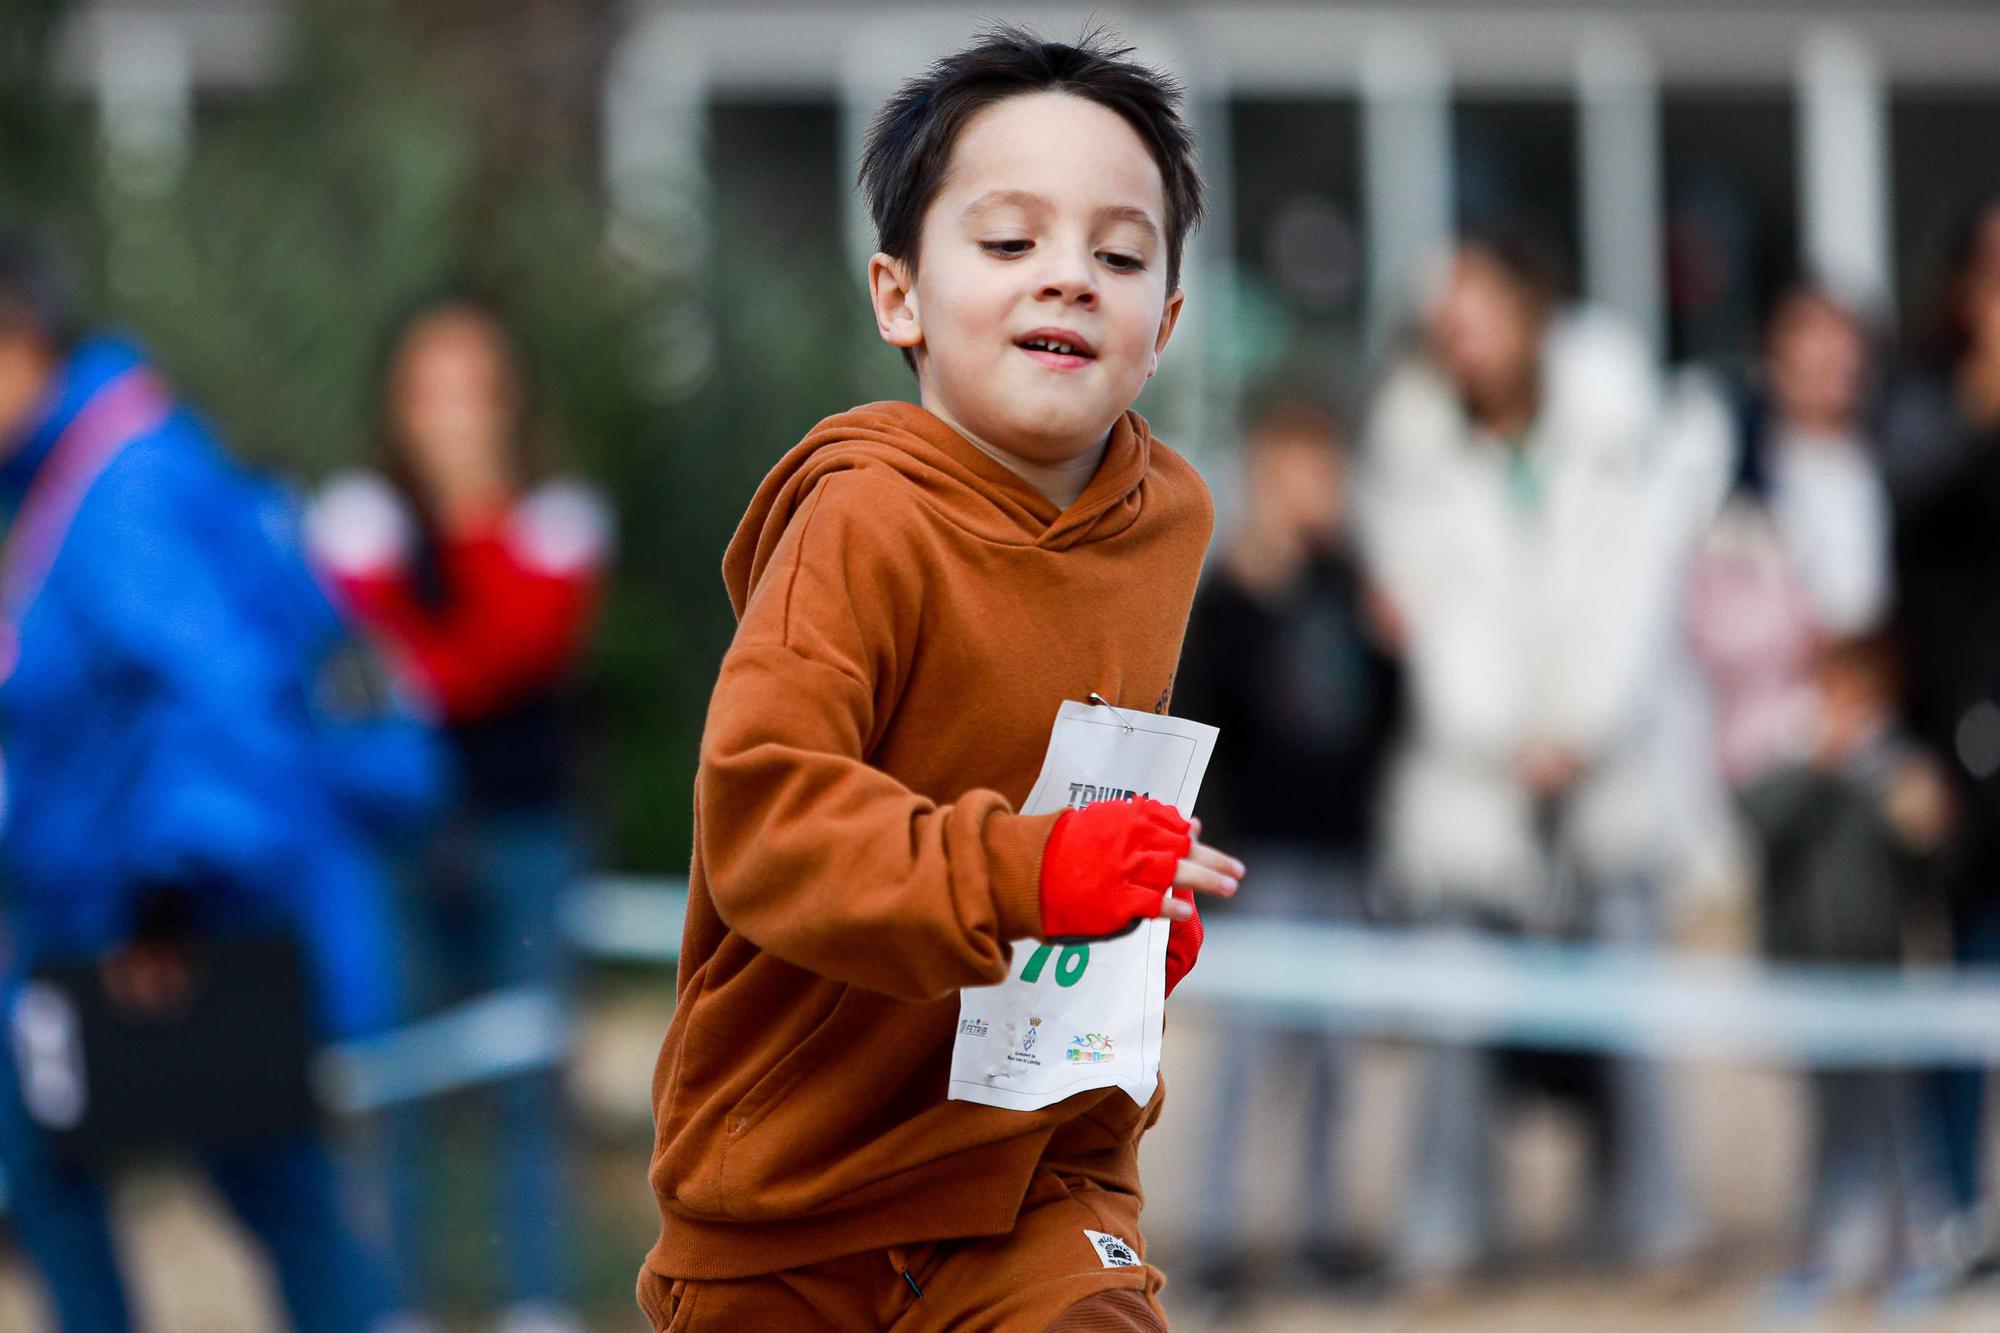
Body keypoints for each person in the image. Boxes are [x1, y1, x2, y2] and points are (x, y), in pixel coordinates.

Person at [635, 27, 1244, 1332]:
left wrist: (1123, 933)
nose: (1070, 278)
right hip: (791, 1200)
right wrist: (1036, 876)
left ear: (1166, 324)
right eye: (1012, 243)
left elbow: (1064, 783)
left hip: (1032, 1169)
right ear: (898, 295)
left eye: (1120, 254)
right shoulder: (861, 521)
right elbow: (762, 818)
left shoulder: (1172, 521)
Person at [0, 239, 443, 1330]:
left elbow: (212, 697)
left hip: (162, 923)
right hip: (133, 916)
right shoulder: (109, 461)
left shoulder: (118, 485)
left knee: (238, 1191)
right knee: (249, 1190)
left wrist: (171, 892)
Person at [1359, 231, 1714, 1287]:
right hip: (1466, 795)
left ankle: (1653, 1222)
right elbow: (1429, 617)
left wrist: (1577, 730)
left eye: (1478, 307)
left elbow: (1633, 593)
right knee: (1454, 1034)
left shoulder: (1614, 437)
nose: (1460, 335)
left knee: (1630, 1033)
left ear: (1528, 311)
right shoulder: (1409, 459)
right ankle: (1445, 1227)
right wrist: (1507, 738)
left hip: (1607, 784)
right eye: (1445, 319)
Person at [308, 294, 610, 1333]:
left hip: (527, 829)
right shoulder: (355, 517)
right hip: (394, 837)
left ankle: (533, 1299)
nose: (452, 414)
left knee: (529, 1077)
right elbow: (372, 660)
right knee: (393, 1074)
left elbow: (500, 657)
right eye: (430, 389)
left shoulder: (559, 519)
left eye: (472, 389)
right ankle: (396, 1303)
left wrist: (472, 514)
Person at [1172, 393, 1401, 1305]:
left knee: (1335, 1059)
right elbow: (1197, 717)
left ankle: (1319, 1227)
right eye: (1293, 470)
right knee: (1241, 1059)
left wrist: (1394, 649)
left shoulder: (1354, 584)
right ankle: (1222, 1236)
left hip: (1344, 854)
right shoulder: (1228, 593)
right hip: (1255, 863)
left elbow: (1387, 712)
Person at [1738, 635, 1954, 1319]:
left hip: (1879, 988)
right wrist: (1817, 767)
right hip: (1808, 986)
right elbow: (1755, 822)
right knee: (1824, 1134)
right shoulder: (1792, 770)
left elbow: (1931, 880)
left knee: (1892, 1128)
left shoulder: (1896, 776)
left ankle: (1902, 1255)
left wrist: (1926, 826)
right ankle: (1814, 1257)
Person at [1881, 193, 2000, 1271]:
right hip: (1966, 753)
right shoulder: (1926, 402)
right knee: (1965, 985)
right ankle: (1955, 1203)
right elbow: (1909, 507)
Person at [1687, 282, 1893, 789]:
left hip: (1847, 748)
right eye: (1815, 351)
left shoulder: (1875, 469)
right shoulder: (1724, 464)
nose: (1833, 371)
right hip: (1747, 759)